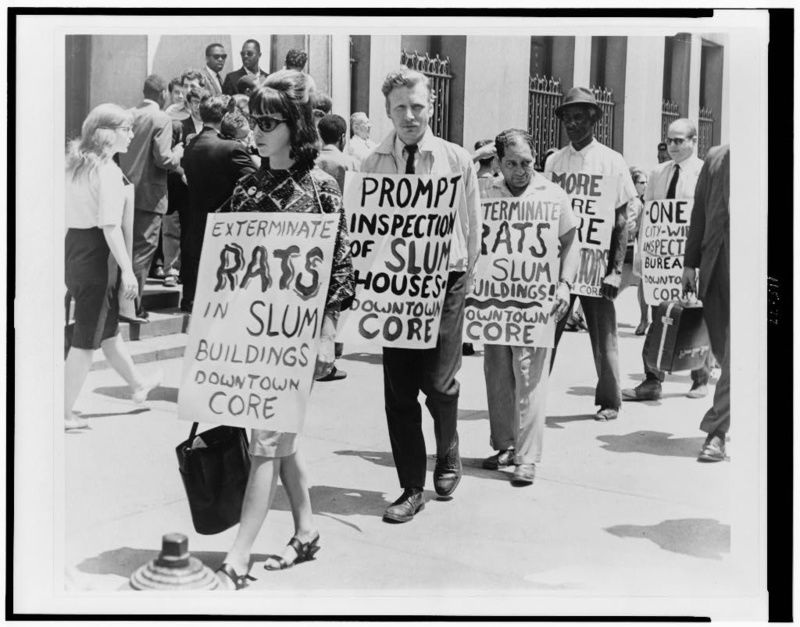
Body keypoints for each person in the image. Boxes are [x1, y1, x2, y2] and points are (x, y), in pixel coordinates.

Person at [217, 70, 355, 589]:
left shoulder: (320, 189)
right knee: (281, 441)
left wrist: (326, 333)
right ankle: (306, 530)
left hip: (296, 339)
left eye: (268, 121)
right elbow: (228, 262)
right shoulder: (247, 186)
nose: (256, 129)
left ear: (295, 124)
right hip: (252, 339)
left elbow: (340, 269)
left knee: (266, 441)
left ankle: (239, 553)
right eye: (253, 120)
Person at [361, 67, 481, 523]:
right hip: (395, 287)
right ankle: (411, 486)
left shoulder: (456, 159)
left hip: (445, 280)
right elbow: (365, 230)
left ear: (430, 107)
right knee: (399, 389)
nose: (409, 116)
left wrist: (468, 276)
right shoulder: (373, 163)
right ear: (388, 111)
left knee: (440, 382)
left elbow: (471, 226)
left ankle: (448, 447)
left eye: (417, 106)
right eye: (399, 108)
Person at [480, 129, 578, 485]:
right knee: (497, 371)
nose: (521, 170)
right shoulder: (485, 191)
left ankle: (527, 457)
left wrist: (565, 285)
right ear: (498, 162)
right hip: (494, 299)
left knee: (530, 375)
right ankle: (505, 444)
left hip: (537, 300)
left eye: (527, 163)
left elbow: (571, 242)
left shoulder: (553, 194)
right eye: (511, 163)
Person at [64, 103, 162, 431]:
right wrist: (129, 271)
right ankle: (62, 411)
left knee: (107, 333)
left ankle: (137, 385)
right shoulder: (106, 170)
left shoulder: (75, 164)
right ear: (108, 132)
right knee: (86, 341)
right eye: (126, 129)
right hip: (98, 255)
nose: (132, 134)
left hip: (75, 249)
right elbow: (110, 225)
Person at [545, 86, 636, 422]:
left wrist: (615, 270)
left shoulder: (612, 161)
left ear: (594, 118)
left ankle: (610, 401)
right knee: (547, 330)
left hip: (598, 264)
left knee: (604, 335)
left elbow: (622, 221)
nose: (573, 124)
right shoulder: (555, 161)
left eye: (579, 117)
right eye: (568, 118)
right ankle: (535, 394)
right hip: (561, 262)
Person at [623, 118, 710, 402]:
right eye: (669, 140)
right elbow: (651, 213)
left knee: (694, 316)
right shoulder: (658, 172)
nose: (672, 146)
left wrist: (696, 260)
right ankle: (652, 380)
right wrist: (643, 255)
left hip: (691, 257)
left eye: (679, 140)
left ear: (694, 141)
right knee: (659, 315)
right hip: (661, 258)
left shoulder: (704, 171)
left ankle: (700, 378)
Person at [180, 94, 256, 313]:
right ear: (225, 116)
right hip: (225, 227)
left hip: (196, 221)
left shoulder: (192, 142)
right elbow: (256, 180)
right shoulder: (231, 148)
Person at [118, 74, 184, 318]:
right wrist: (179, 151)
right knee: (143, 250)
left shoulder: (128, 114)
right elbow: (164, 159)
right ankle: (132, 306)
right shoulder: (161, 118)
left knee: (124, 249)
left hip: (124, 190)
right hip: (150, 194)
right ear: (163, 94)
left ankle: (119, 303)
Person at [682, 145, 729, 462]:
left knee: (741, 356)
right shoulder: (716, 157)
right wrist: (689, 263)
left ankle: (717, 431)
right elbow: (699, 210)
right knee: (726, 354)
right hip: (716, 269)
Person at [618, 166, 649, 335]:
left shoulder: (636, 201)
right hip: (629, 249)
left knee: (624, 284)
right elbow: (629, 226)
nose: (645, 185)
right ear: (634, 183)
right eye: (642, 182)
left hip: (633, 250)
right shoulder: (636, 202)